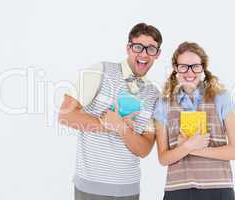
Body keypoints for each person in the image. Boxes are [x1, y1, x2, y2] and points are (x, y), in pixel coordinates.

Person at [59, 23, 162, 200]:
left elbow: (144, 149)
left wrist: (121, 127)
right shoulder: (101, 71)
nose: (144, 54)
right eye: (138, 47)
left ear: (157, 54)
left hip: (129, 190)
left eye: (151, 49)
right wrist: (108, 124)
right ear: (128, 48)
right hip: (90, 188)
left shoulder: (153, 94)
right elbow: (66, 115)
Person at [153, 42, 235, 200]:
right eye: (183, 66)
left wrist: (192, 148)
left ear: (203, 67)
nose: (189, 72)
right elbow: (163, 158)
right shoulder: (164, 103)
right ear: (175, 68)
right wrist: (189, 145)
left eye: (195, 66)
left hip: (218, 189)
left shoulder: (221, 98)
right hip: (178, 190)